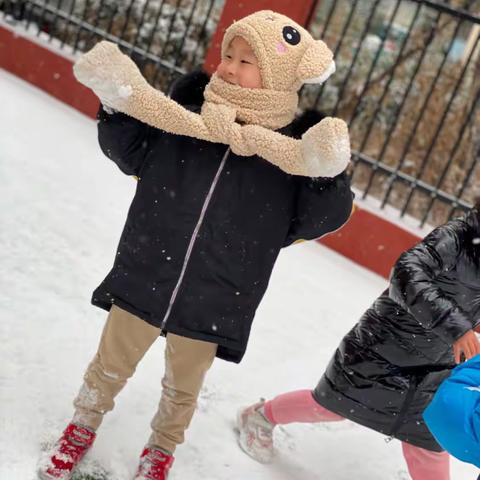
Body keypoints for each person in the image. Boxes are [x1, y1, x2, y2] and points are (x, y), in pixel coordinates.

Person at [38, 10, 354, 480]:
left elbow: (317, 217)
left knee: (183, 387)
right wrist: (115, 104)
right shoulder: (185, 116)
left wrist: (328, 177)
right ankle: (82, 423)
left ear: (280, 77)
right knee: (110, 362)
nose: (228, 66)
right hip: (148, 266)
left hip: (219, 290)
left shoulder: (291, 158)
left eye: (246, 61)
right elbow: (132, 151)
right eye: (228, 54)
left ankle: (161, 450)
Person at [237, 201, 480, 480]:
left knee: (427, 442)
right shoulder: (456, 238)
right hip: (382, 348)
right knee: (331, 405)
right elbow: (405, 273)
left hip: (434, 367)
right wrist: (455, 327)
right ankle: (261, 415)